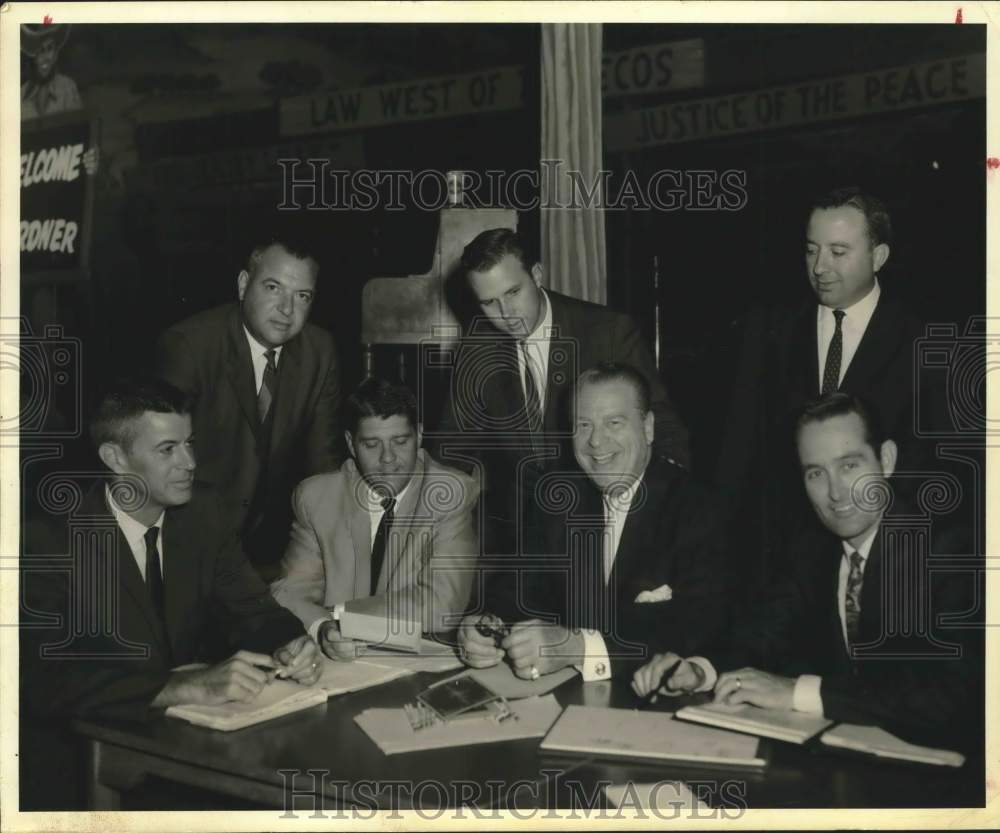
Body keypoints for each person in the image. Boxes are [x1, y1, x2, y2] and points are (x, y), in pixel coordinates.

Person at [20, 377, 319, 809]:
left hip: (182, 754)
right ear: (115, 457)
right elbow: (42, 682)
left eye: (189, 443)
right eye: (167, 450)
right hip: (75, 771)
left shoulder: (204, 514)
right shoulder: (46, 541)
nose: (190, 462)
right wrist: (183, 687)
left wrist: (289, 643)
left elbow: (253, 610)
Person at [634, 393, 982, 748]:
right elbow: (761, 636)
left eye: (849, 465)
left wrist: (796, 692)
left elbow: (952, 695)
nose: (835, 492)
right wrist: (699, 671)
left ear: (886, 459)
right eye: (816, 473)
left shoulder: (952, 550)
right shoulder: (813, 549)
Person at [716, 185, 946, 575]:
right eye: (811, 250)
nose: (820, 266)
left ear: (879, 257)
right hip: (779, 561)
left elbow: (936, 469)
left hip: (890, 561)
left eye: (838, 252)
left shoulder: (924, 341)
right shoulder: (768, 329)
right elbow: (739, 452)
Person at [457, 363, 725, 681]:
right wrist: (483, 628)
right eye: (583, 425)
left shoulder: (697, 507)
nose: (595, 441)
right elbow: (516, 593)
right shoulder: (558, 500)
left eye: (613, 422)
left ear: (649, 427)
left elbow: (700, 627)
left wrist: (577, 648)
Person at [436, 228, 689, 559]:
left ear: (537, 275)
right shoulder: (475, 349)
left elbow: (664, 432)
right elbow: (452, 449)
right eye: (489, 302)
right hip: (519, 539)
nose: (506, 313)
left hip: (605, 526)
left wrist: (659, 524)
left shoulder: (608, 332)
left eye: (513, 292)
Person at [156, 231, 341, 579]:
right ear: (243, 285)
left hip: (270, 551)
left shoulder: (320, 351)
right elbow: (161, 463)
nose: (286, 309)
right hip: (186, 541)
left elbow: (323, 467)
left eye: (302, 296)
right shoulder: (189, 347)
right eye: (273, 288)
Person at [272, 378, 479, 660]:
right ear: (351, 444)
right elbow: (289, 592)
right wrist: (323, 630)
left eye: (400, 441)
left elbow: (442, 605)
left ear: (419, 435)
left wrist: (339, 616)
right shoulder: (316, 497)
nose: (388, 459)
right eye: (371, 444)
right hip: (335, 665)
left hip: (415, 663)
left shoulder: (450, 493)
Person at [20, 23, 99, 174]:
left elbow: (82, 137)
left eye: (49, 49)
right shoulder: (19, 96)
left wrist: (92, 157)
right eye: (39, 51)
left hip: (60, 178)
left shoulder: (67, 89)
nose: (44, 58)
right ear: (33, 57)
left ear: (56, 54)